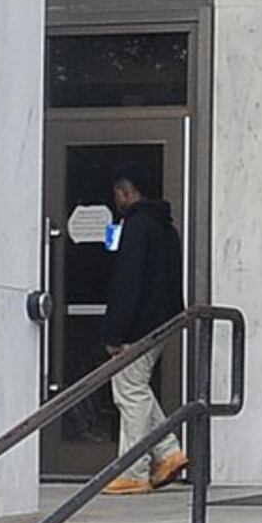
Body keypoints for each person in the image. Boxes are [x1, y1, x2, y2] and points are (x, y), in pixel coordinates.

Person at [93, 170, 188, 494]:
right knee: (136, 386)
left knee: (129, 389)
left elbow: (127, 283)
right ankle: (168, 453)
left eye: (117, 194)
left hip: (138, 326)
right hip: (162, 321)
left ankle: (134, 470)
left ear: (126, 192)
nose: (116, 200)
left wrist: (114, 333)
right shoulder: (167, 228)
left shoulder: (136, 226)